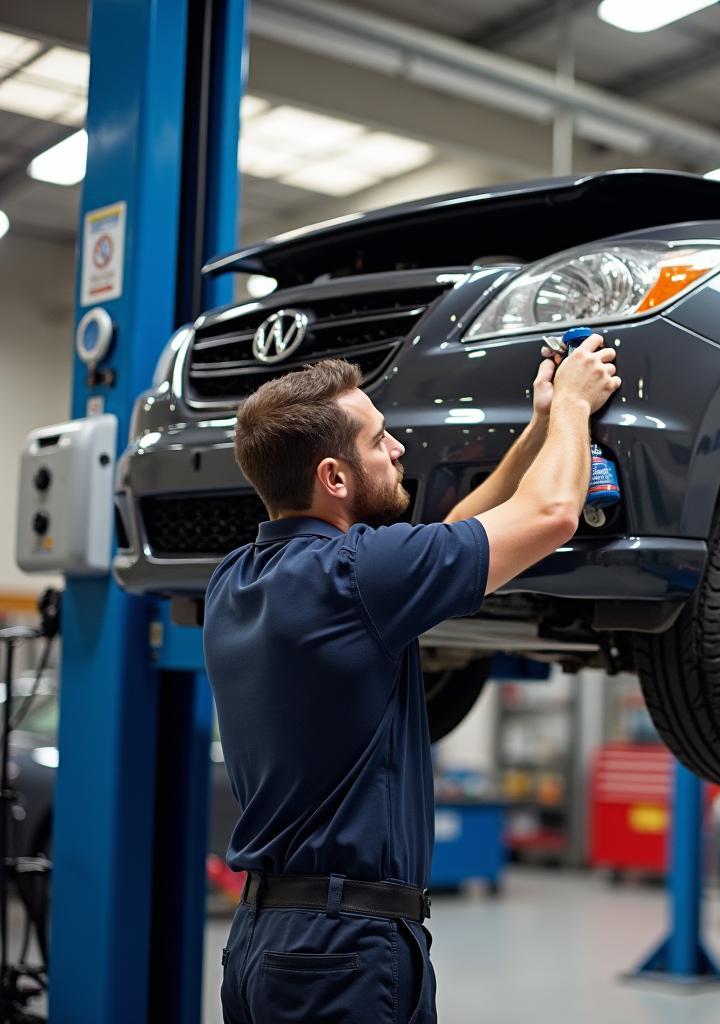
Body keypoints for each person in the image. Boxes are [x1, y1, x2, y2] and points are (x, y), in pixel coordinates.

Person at [205, 334, 620, 1024]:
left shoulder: (238, 578)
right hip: (342, 951)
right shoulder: (353, 577)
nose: (398, 449)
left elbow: (458, 535)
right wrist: (576, 405)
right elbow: (551, 516)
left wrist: (540, 429)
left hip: (265, 942)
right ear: (334, 478)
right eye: (379, 440)